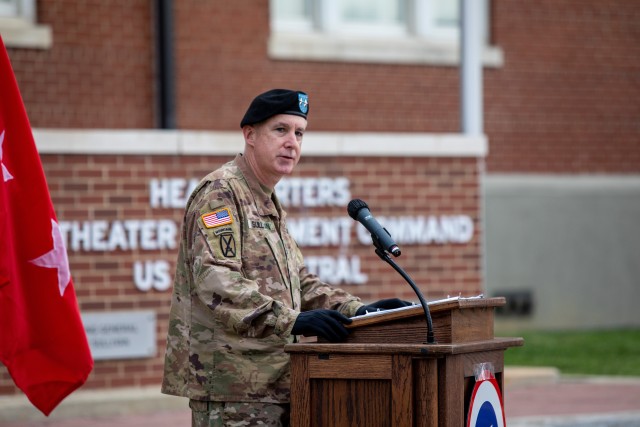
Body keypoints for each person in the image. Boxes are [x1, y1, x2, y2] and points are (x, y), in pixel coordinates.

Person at [161, 88, 411, 426]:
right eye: (280, 130)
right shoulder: (221, 194)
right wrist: (291, 321)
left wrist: (357, 310)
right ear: (249, 134)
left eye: (299, 133)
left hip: (276, 382)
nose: (292, 142)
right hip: (233, 391)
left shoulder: (267, 201)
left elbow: (299, 283)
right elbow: (217, 282)